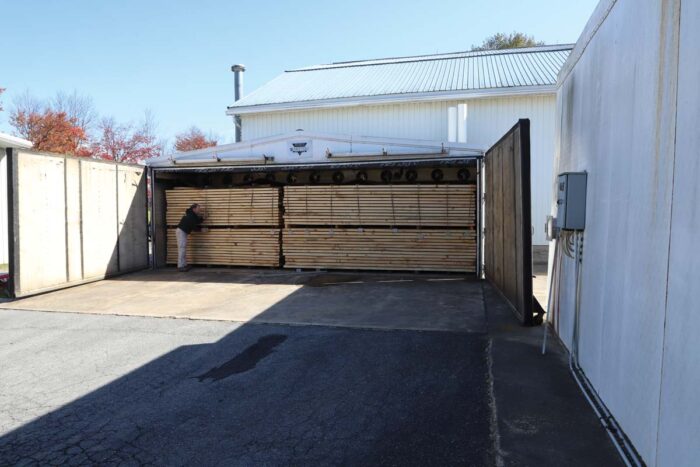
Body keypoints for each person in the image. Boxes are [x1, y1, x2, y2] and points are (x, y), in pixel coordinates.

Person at [176, 203, 207, 272]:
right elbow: (194, 228)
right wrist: (202, 230)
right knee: (182, 249)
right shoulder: (190, 216)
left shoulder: (192, 215)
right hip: (181, 232)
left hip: (183, 232)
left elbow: (197, 221)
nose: (199, 210)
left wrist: (203, 218)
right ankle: (180, 266)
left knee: (183, 249)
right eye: (198, 209)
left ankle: (184, 265)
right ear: (194, 209)